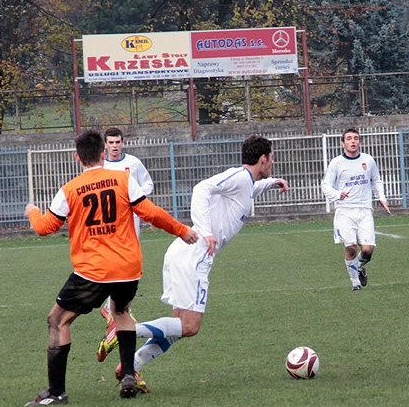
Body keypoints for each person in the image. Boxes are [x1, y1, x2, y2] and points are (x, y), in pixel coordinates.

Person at [95, 135, 288, 392]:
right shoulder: (240, 177)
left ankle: (134, 365)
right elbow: (201, 188)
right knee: (190, 327)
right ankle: (124, 331)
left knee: (178, 327)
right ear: (263, 159)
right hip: (194, 256)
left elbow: (250, 190)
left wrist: (273, 182)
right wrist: (206, 231)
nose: (272, 162)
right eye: (271, 158)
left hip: (183, 253)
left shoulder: (246, 183)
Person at [23, 129, 198, 406]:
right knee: (121, 312)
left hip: (92, 271)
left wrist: (32, 211)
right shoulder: (124, 180)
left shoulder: (69, 189)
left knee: (58, 320)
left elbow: (45, 228)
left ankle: (56, 392)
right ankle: (128, 374)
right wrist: (182, 230)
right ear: (104, 154)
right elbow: (150, 213)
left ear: (77, 158)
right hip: (128, 267)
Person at [321, 128, 391, 291]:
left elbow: (376, 180)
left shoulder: (368, 160)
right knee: (351, 247)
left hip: (364, 210)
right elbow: (325, 185)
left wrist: (381, 197)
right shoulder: (337, 163)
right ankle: (355, 283)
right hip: (345, 211)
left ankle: (358, 267)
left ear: (359, 142)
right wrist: (338, 194)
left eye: (356, 138)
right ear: (342, 143)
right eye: (349, 139)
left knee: (367, 251)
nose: (353, 141)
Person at [100, 127, 155, 321]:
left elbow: (148, 184)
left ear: (123, 143)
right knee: (111, 261)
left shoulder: (133, 163)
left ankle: (118, 307)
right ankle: (113, 308)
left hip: (131, 220)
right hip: (109, 222)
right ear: (105, 145)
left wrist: (135, 197)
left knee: (129, 261)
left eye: (117, 142)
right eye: (111, 143)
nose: (114, 146)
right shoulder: (101, 166)